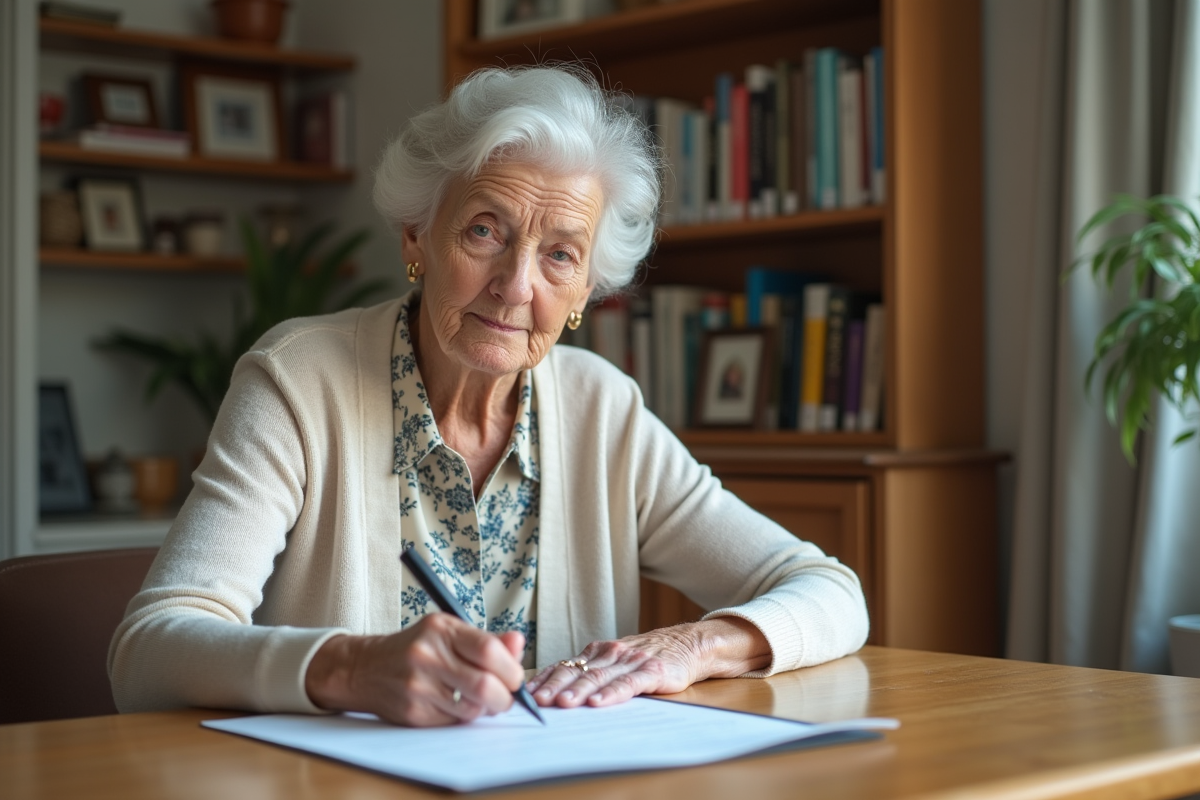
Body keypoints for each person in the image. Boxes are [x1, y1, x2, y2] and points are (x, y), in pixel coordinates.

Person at [109, 65, 869, 728]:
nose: (516, 286)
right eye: (484, 231)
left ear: (585, 290)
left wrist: (694, 645)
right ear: (417, 238)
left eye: (560, 254)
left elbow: (830, 591)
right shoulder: (298, 383)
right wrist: (349, 669)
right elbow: (149, 652)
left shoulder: (604, 413)